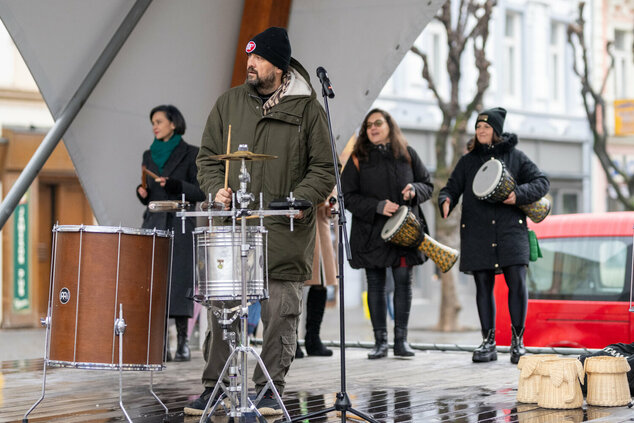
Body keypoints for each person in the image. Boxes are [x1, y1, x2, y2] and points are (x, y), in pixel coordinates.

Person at [186, 27, 335, 417]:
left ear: (280, 65)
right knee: (223, 311)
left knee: (280, 313)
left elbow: (324, 167)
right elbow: (206, 158)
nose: (250, 64)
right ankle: (215, 385)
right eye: (248, 57)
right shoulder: (229, 103)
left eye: (259, 58)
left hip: (285, 229)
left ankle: (269, 389)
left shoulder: (308, 109)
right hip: (234, 228)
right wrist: (216, 187)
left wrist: (301, 196)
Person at [438, 107, 549, 364]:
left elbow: (541, 182)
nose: (481, 131)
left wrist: (517, 195)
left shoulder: (516, 157)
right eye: (478, 128)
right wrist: (446, 199)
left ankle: (517, 342)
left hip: (511, 232)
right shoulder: (467, 162)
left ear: (496, 131)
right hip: (477, 233)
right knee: (483, 287)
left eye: (486, 127)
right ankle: (488, 343)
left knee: (517, 284)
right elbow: (451, 187)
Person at [341, 108, 434, 359]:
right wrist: (377, 206)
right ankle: (380, 342)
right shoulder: (358, 159)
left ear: (389, 126)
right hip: (371, 233)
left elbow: (428, 185)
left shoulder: (407, 154)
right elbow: (347, 197)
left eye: (378, 123)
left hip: (404, 233)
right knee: (376, 284)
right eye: (368, 125)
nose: (372, 128)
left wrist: (414, 189)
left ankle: (401, 341)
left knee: (403, 281)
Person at [136, 104, 205, 362]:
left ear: (173, 124)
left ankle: (183, 343)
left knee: (179, 283)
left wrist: (176, 185)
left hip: (181, 223)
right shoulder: (148, 155)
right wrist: (142, 194)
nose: (154, 125)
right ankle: (160, 343)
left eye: (159, 121)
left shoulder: (191, 153)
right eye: (152, 121)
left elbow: (200, 192)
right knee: (155, 284)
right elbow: (149, 194)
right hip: (154, 223)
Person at [296, 190, 338, 358]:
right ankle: (290, 340)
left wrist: (330, 205)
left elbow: (333, 207)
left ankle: (313, 338)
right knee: (294, 284)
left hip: (321, 228)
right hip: (300, 229)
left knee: (321, 284)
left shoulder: (328, 168)